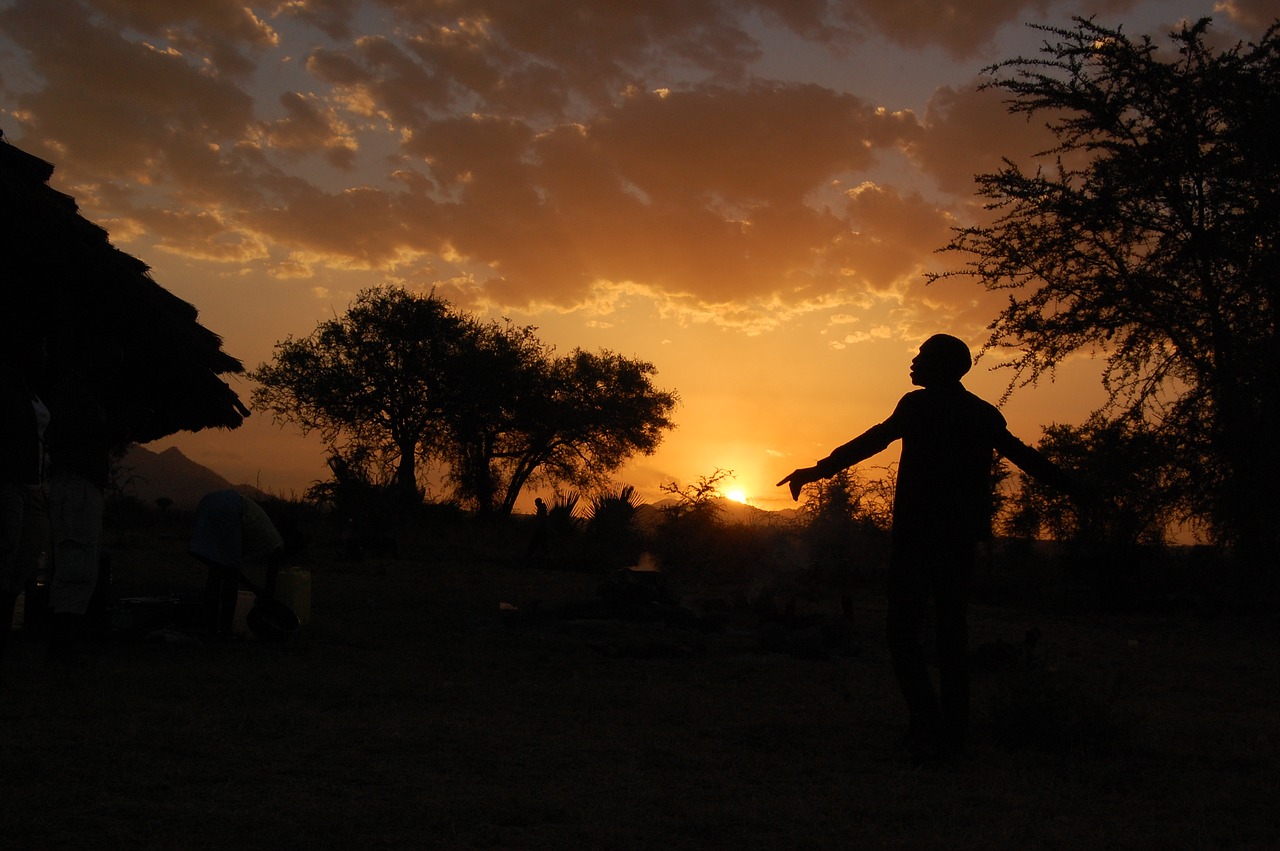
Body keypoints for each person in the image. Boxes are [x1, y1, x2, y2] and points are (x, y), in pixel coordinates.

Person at [777, 334, 1078, 761]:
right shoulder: (981, 413)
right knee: (952, 636)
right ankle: (953, 735)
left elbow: (873, 441)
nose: (913, 363)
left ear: (941, 365)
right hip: (958, 541)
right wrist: (1076, 487)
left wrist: (816, 470)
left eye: (921, 356)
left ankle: (927, 723)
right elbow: (1024, 456)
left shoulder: (917, 407)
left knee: (902, 634)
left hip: (916, 538)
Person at [0, 328, 50, 678]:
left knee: (22, 566)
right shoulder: (6, 387)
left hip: (33, 486)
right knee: (5, 563)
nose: (45, 355)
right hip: (10, 483)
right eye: (41, 348)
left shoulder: (31, 391)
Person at [189, 489, 285, 638]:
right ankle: (224, 630)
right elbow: (238, 572)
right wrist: (264, 595)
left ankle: (211, 626)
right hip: (230, 508)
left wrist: (255, 589)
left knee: (215, 571)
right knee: (229, 581)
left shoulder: (264, 532)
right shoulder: (276, 545)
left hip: (209, 501)